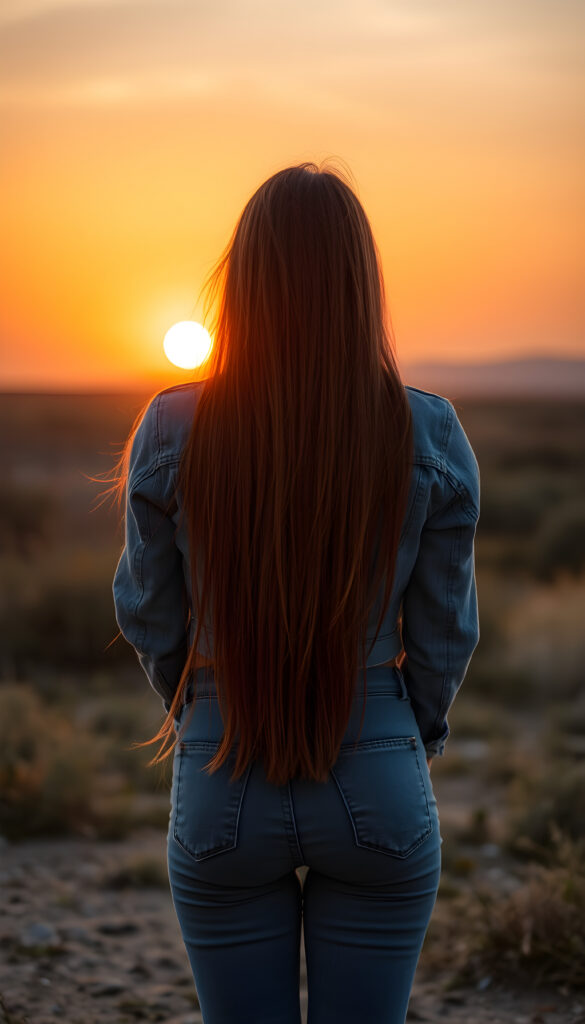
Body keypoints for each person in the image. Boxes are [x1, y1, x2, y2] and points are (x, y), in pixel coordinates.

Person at [111, 161, 480, 1024]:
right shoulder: (427, 429)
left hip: (221, 760)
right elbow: (442, 634)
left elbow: (148, 613)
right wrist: (404, 735)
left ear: (244, 282)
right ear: (360, 283)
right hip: (378, 759)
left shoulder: (171, 425)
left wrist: (198, 700)